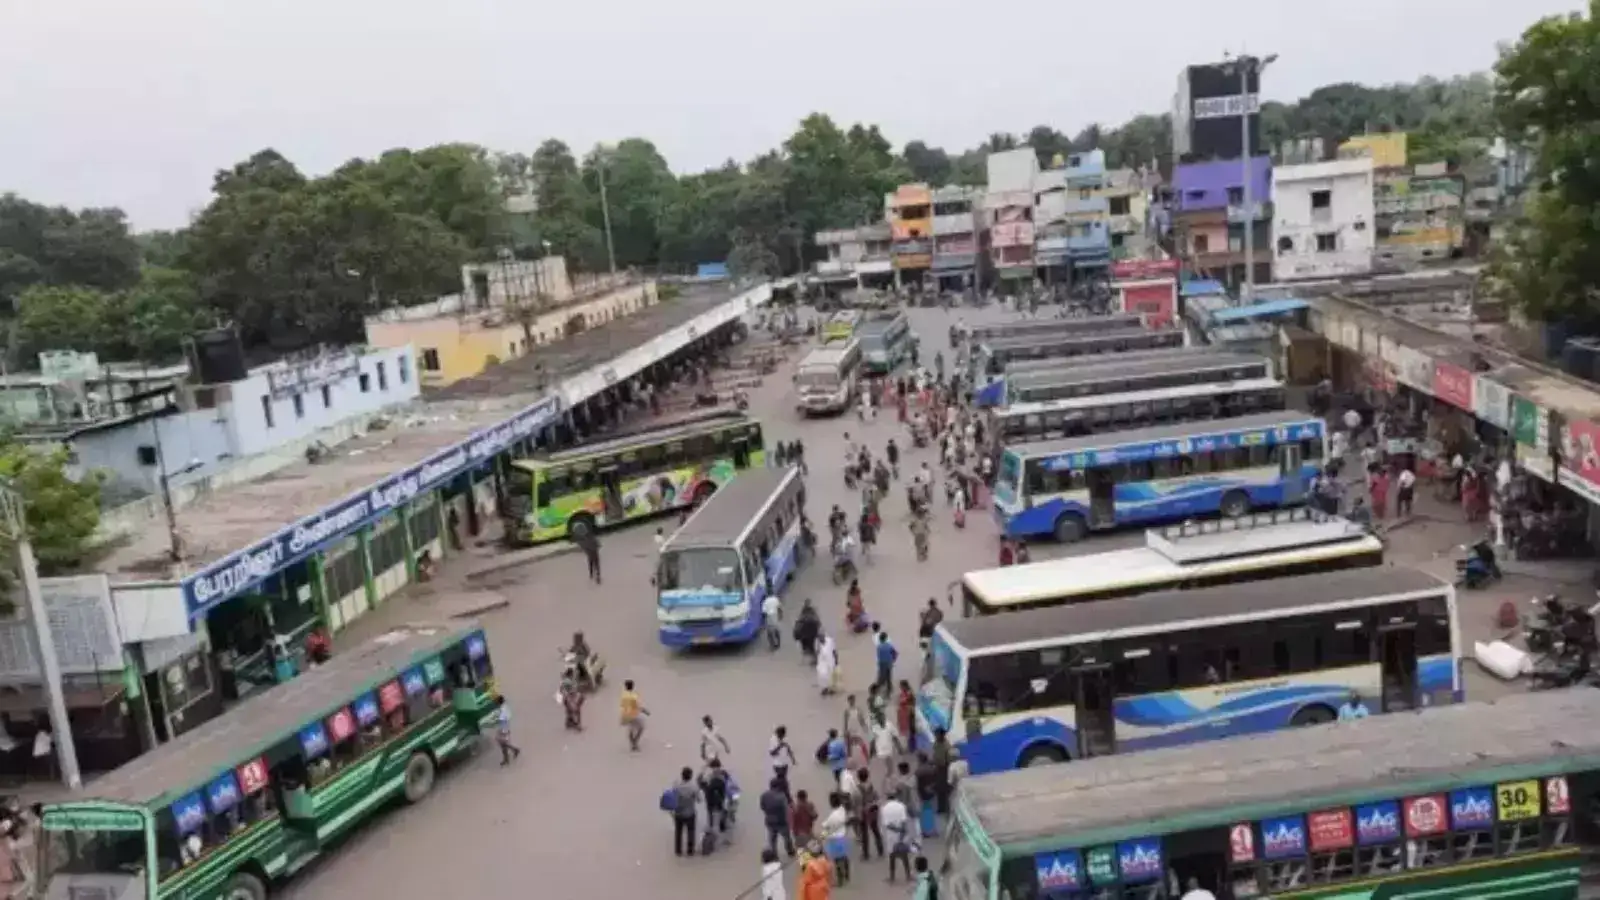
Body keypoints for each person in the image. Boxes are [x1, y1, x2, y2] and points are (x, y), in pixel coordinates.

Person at [852, 766, 884, 861]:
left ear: (858, 777)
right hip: (873, 812)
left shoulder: (856, 790)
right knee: (876, 831)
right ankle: (880, 850)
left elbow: (854, 803)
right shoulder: (872, 788)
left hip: (863, 814)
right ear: (868, 776)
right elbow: (878, 799)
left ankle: (866, 853)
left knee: (864, 833)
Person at [882, 790, 913, 883]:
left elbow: (887, 824)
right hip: (901, 835)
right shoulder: (902, 806)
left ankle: (892, 877)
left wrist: (896, 829)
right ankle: (908, 875)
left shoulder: (884, 808)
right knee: (904, 855)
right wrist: (901, 832)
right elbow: (904, 821)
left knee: (892, 856)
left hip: (890, 836)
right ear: (896, 797)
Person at [821, 793, 852, 885]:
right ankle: (847, 874)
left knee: (837, 860)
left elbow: (825, 826)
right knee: (844, 856)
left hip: (834, 839)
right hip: (842, 836)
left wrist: (823, 834)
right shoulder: (842, 810)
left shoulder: (833, 816)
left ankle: (840, 880)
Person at [760, 778, 796, 858]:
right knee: (786, 837)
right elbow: (786, 809)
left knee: (772, 839)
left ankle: (774, 854)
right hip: (781, 821)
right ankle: (790, 851)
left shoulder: (764, 795)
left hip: (770, 821)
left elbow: (762, 807)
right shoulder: (781, 796)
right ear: (777, 787)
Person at [671, 767, 702, 856]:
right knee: (691, 832)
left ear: (682, 775)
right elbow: (699, 800)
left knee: (678, 832)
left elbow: (672, 797)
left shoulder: (676, 785)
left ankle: (678, 851)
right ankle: (690, 851)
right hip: (690, 813)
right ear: (691, 776)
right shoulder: (694, 787)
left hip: (678, 813)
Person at [701, 757, 732, 835]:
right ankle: (720, 826)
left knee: (712, 813)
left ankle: (712, 827)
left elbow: (701, 782)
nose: (715, 770)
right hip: (718, 799)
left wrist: (704, 768)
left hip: (712, 799)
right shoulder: (722, 774)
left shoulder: (709, 776)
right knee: (719, 811)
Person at [620, 680, 648, 751]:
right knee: (641, 728)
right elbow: (637, 706)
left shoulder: (623, 695)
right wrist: (645, 711)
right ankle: (634, 742)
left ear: (625, 687)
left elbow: (622, 705)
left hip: (625, 714)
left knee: (631, 729)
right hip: (633, 715)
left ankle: (633, 744)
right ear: (633, 686)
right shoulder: (633, 696)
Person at [769, 725, 797, 798]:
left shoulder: (784, 739)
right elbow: (772, 753)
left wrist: (793, 759)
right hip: (778, 765)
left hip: (785, 764)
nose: (783, 736)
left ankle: (782, 793)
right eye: (782, 735)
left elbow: (788, 749)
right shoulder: (773, 740)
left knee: (783, 780)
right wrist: (780, 746)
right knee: (783, 780)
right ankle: (786, 795)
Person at [494, 699, 521, 765]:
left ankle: (513, 751)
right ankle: (508, 757)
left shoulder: (502, 711)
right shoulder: (505, 708)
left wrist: (503, 731)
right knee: (503, 744)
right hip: (505, 728)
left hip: (503, 729)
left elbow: (503, 721)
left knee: (502, 743)